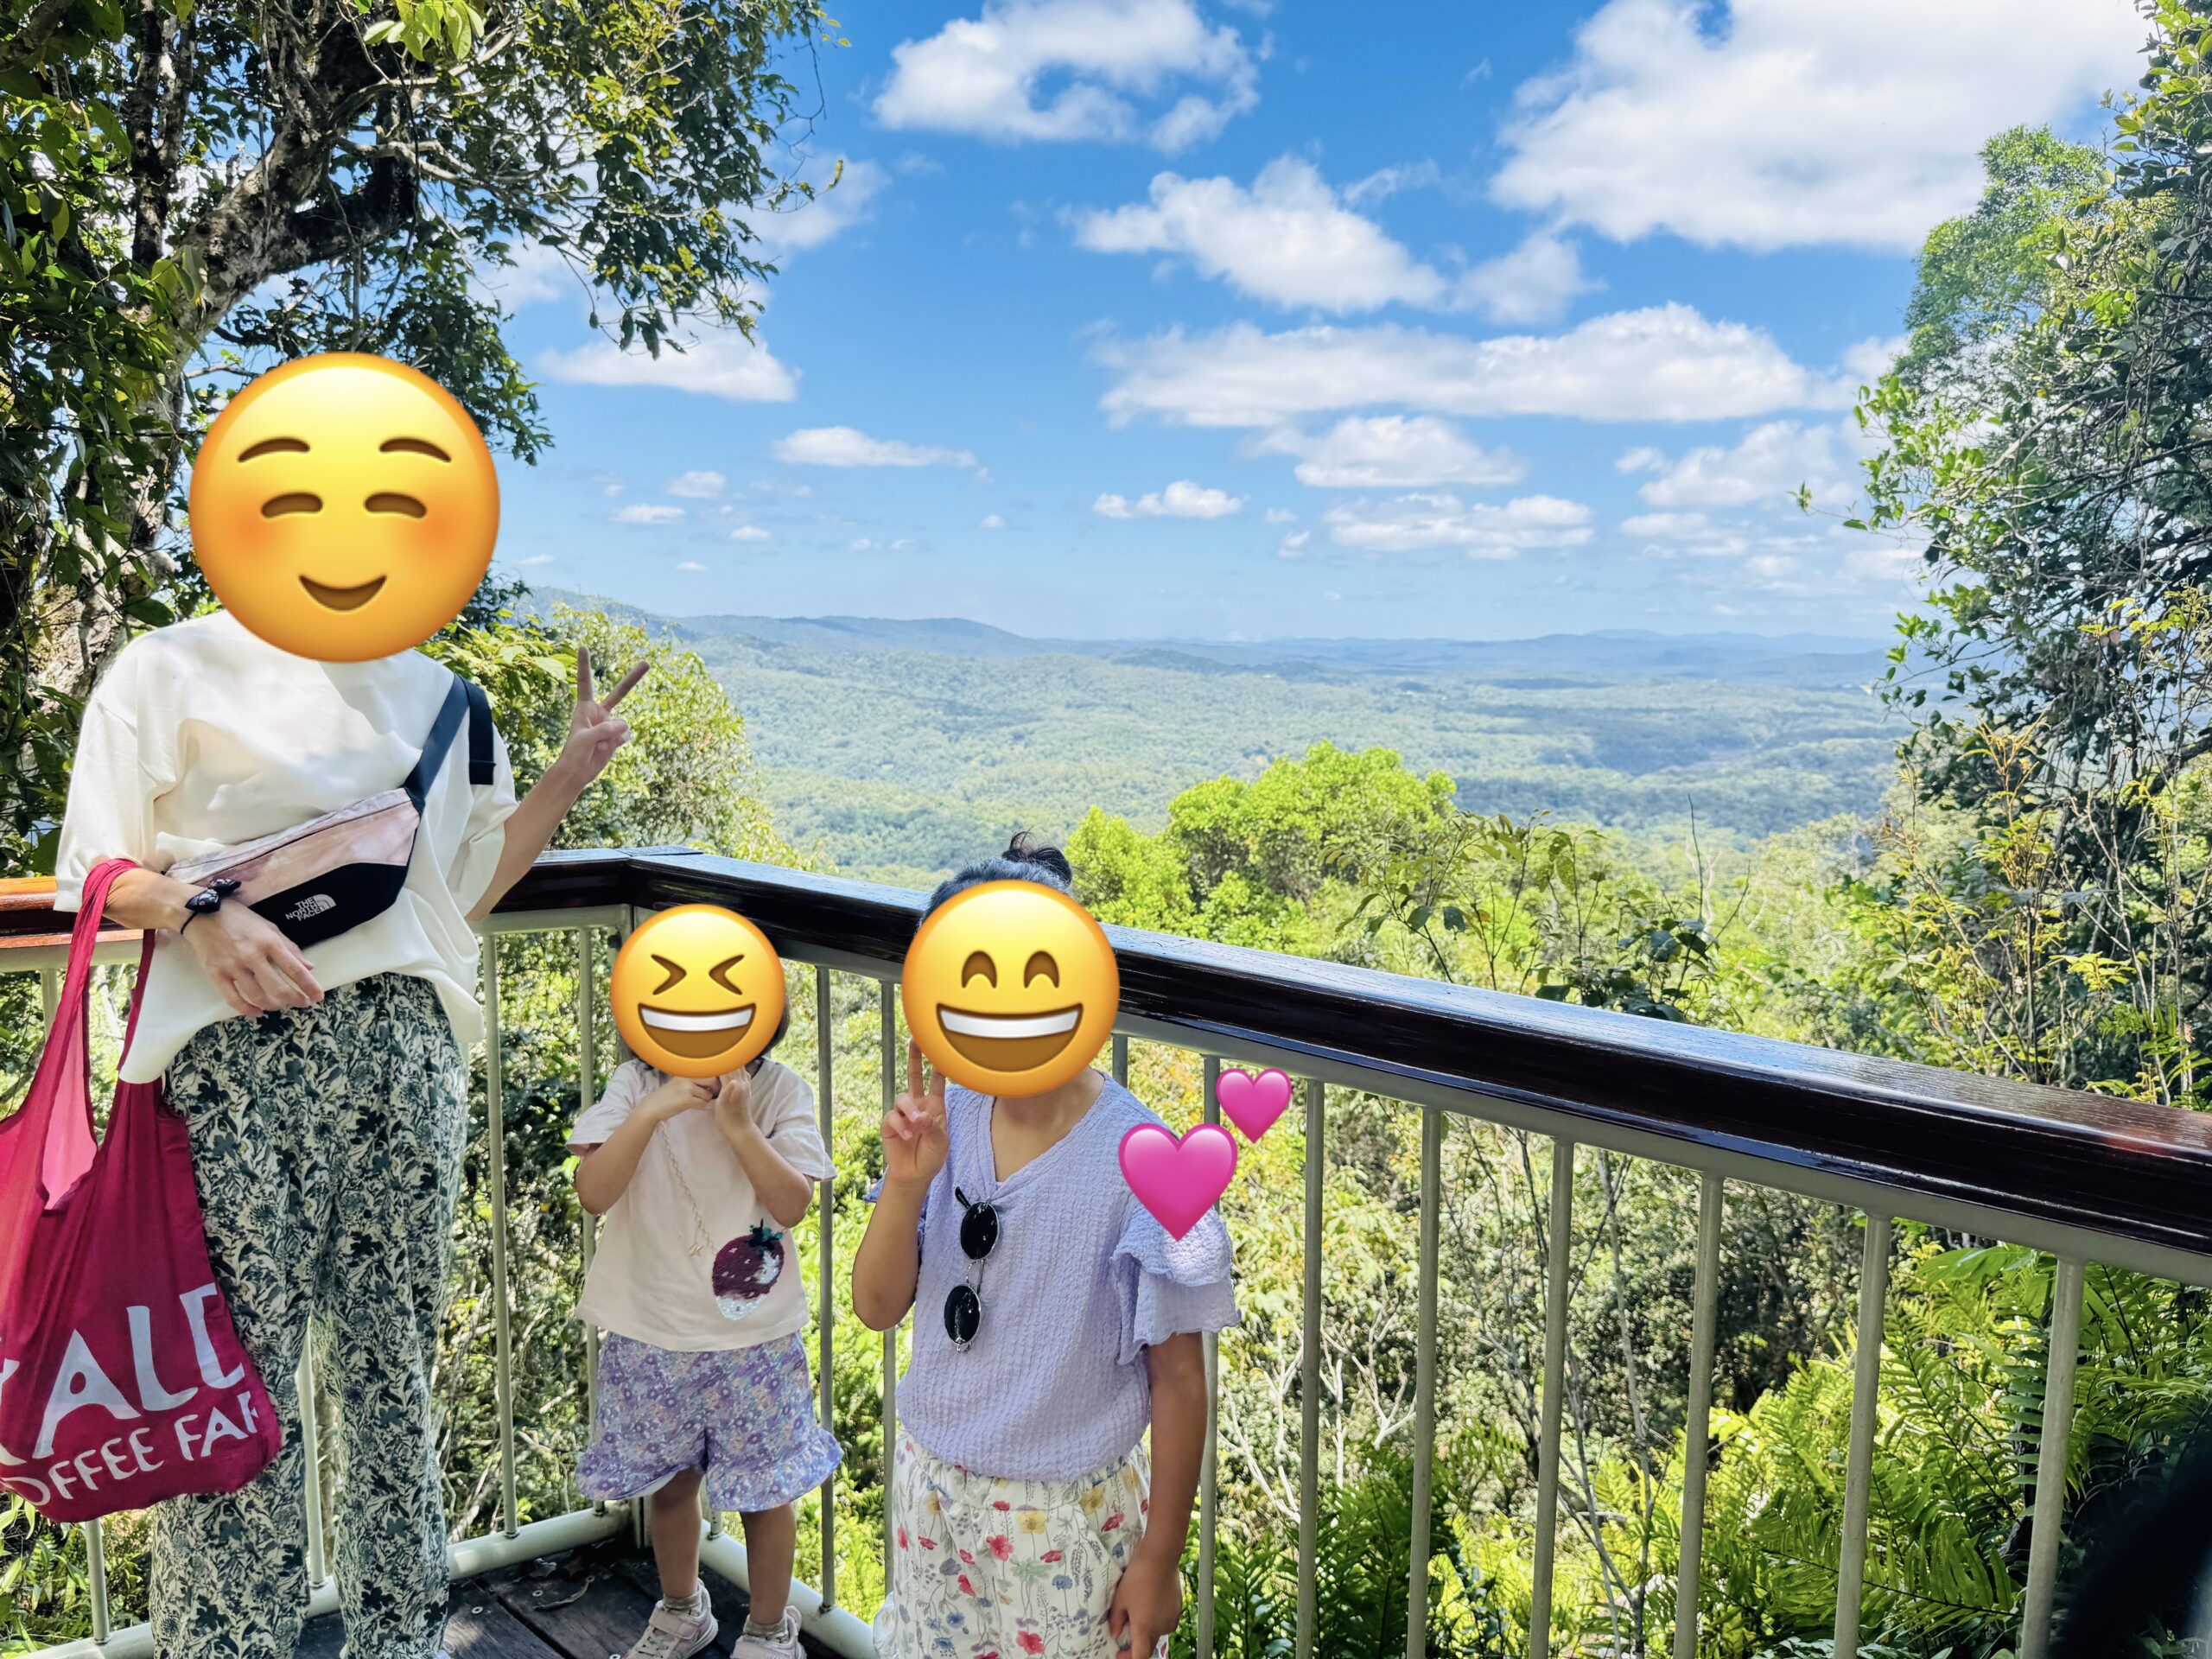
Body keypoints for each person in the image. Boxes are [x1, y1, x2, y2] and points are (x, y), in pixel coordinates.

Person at [54, 614, 645, 1659]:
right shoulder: (168, 666)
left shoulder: (445, 695)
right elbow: (92, 871)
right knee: (235, 1388)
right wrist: (202, 913)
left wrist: (568, 773)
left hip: (404, 1051)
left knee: (390, 1373)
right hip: (231, 1062)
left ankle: (402, 1640)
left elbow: (457, 892)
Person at [852, 836, 1238, 1659]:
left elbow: (1179, 1380)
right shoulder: (943, 1121)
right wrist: (908, 1185)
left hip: (1071, 1519)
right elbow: (876, 1307)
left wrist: (1160, 1559)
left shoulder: (1142, 1159)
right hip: (933, 1496)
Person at [569, 1008, 841, 1659]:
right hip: (650, 1334)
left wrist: (740, 1126)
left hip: (756, 1341)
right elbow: (594, 1192)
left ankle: (769, 1631)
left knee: (766, 1492)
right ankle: (682, 1610)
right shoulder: (634, 1086)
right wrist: (651, 1112)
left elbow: (791, 1203)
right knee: (671, 1484)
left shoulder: (778, 1091)